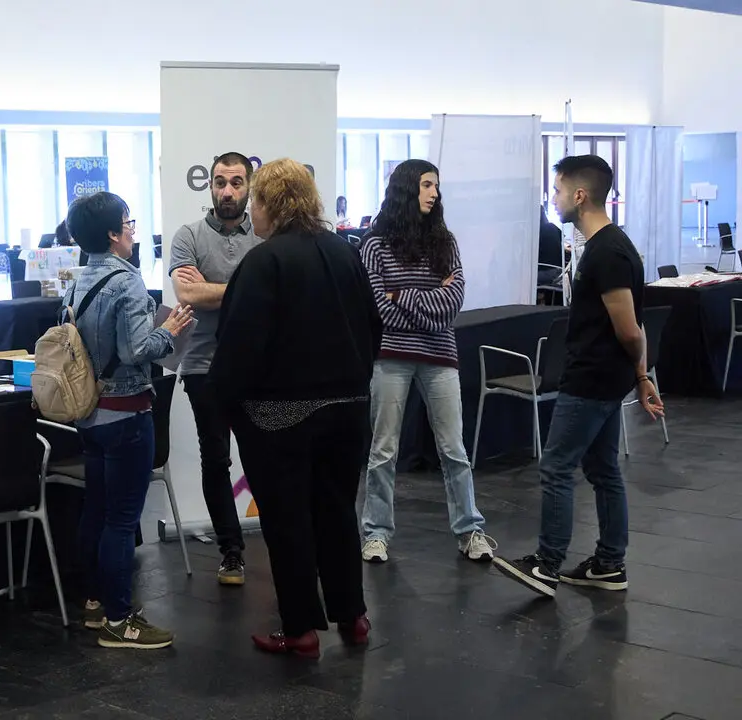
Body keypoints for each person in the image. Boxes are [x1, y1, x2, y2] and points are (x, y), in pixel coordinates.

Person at [211, 158, 380, 658]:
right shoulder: (344, 253)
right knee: (337, 514)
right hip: (348, 410)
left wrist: (223, 404)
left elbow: (240, 347)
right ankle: (354, 616)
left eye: (254, 200)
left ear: (269, 204)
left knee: (287, 523)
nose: (250, 211)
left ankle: (301, 629)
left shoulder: (263, 263)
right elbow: (373, 329)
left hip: (279, 418)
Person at [494, 156, 660, 598]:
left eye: (558, 191)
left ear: (580, 195)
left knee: (556, 467)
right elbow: (634, 325)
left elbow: (628, 327)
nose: (555, 199)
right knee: (603, 468)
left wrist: (638, 372)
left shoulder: (607, 252)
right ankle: (608, 564)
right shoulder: (611, 247)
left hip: (592, 380)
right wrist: (640, 376)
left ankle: (547, 564)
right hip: (609, 377)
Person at [66, 191, 194, 650]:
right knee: (122, 520)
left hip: (90, 415)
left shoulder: (77, 281)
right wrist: (171, 330)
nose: (133, 230)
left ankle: (96, 604)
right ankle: (122, 620)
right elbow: (136, 350)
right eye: (128, 222)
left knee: (96, 512)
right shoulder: (129, 282)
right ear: (112, 233)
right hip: (127, 414)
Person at [359, 159, 496, 564]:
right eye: (426, 185)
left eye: (436, 185)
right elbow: (378, 307)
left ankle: (471, 530)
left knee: (453, 448)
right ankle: (376, 532)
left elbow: (452, 305)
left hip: (440, 355)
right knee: (383, 450)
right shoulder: (374, 243)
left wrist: (404, 296)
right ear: (406, 188)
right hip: (390, 358)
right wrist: (426, 301)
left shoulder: (445, 241)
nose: (434, 193)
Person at [168, 151, 261, 585]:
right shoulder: (187, 236)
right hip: (204, 366)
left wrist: (211, 289)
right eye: (220, 182)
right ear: (210, 186)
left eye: (236, 182)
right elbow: (186, 296)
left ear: (249, 186)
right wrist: (247, 287)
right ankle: (231, 551)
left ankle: (281, 540)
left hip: (260, 367)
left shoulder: (264, 237)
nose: (227, 190)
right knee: (216, 460)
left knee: (266, 457)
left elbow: (277, 295)